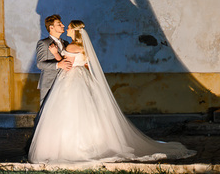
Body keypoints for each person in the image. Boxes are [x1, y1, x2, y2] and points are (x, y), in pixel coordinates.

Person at [27, 20, 196, 165]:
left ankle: (70, 148)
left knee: (70, 112)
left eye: (69, 27)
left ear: (75, 30)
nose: (67, 28)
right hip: (81, 78)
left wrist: (56, 54)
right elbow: (83, 64)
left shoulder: (71, 45)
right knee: (87, 113)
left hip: (70, 80)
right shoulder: (82, 46)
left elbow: (67, 64)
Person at [35, 14, 74, 105]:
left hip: (65, 82)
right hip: (49, 83)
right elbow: (40, 64)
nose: (63, 25)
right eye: (59, 24)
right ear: (51, 27)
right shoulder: (43, 43)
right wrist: (58, 65)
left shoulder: (66, 43)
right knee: (46, 112)